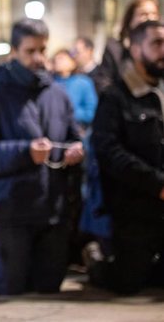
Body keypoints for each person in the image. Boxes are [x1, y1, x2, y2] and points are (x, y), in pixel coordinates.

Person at [0, 19, 84, 295]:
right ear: (14, 51)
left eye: (42, 49)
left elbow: (72, 135)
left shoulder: (58, 95)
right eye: (30, 51)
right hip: (11, 211)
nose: (39, 58)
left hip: (51, 211)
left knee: (47, 287)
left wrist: (76, 150)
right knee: (10, 286)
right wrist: (25, 151)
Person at [88, 20, 164, 295]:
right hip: (135, 210)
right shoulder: (115, 97)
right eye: (156, 43)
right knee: (128, 281)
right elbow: (109, 151)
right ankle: (98, 261)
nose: (162, 51)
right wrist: (157, 184)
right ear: (135, 48)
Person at [92, 0, 160, 93]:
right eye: (144, 14)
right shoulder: (115, 48)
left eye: (154, 14)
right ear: (130, 19)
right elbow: (102, 82)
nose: (150, 18)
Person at [52, 49, 98, 133]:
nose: (57, 61)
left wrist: (67, 112)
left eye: (61, 58)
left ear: (73, 62)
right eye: (55, 59)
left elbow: (91, 112)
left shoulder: (84, 83)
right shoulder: (50, 83)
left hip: (77, 131)